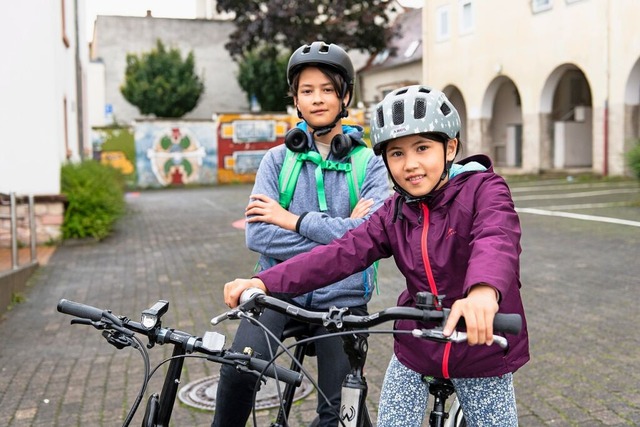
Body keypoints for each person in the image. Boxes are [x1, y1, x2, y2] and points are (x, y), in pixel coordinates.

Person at [223, 85, 531, 426]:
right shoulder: (393, 211)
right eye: (396, 154)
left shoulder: (484, 189)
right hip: (418, 345)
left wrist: (483, 295)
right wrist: (262, 282)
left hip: (480, 344)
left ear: (450, 148)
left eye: (423, 148)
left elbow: (496, 238)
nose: (410, 165)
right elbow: (338, 255)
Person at [211, 41, 390, 427]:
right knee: (238, 368)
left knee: (338, 414)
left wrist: (290, 219)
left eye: (327, 89)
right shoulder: (277, 160)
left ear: (345, 96)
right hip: (278, 291)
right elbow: (257, 236)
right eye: (307, 90)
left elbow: (372, 238)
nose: (318, 99)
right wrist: (343, 236)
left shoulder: (371, 164)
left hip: (341, 299)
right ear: (295, 98)